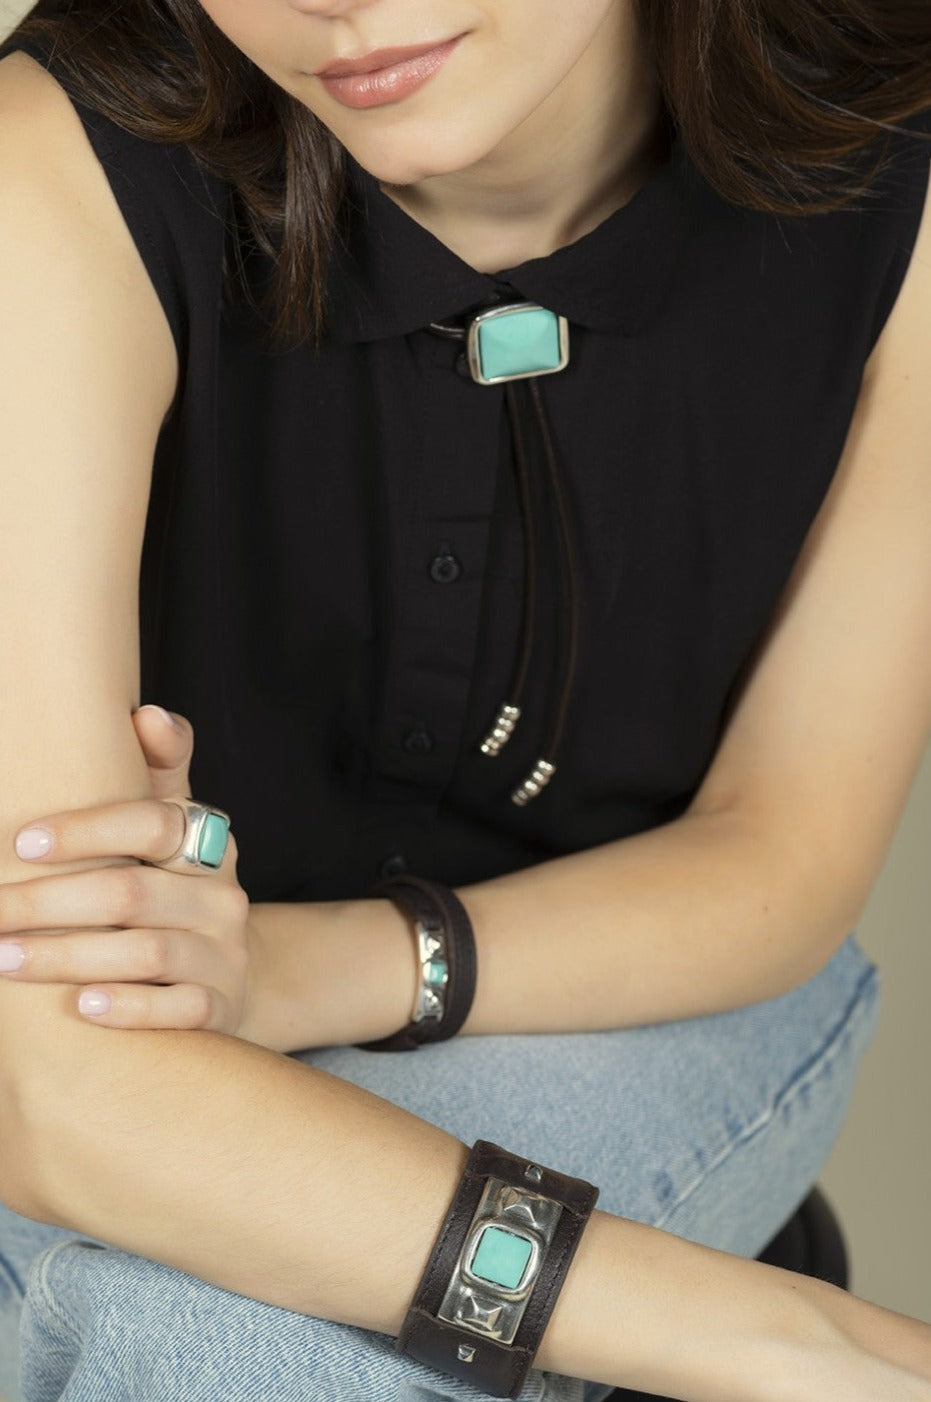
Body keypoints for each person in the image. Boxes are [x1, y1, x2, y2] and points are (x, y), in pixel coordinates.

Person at [0, 0, 929, 1398]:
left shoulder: (898, 160)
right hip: (135, 1075)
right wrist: (777, 1337)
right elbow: (60, 1092)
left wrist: (296, 969)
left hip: (658, 974)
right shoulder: (53, 171)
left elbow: (783, 853)